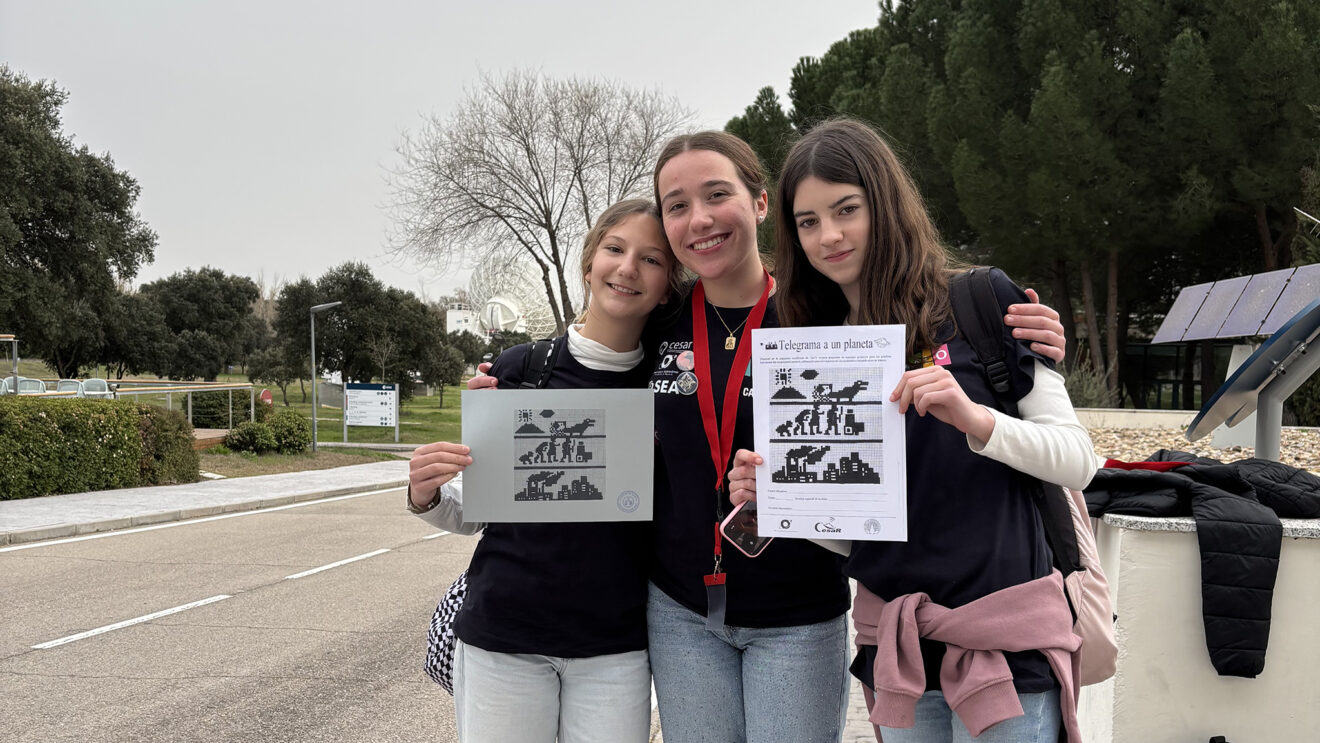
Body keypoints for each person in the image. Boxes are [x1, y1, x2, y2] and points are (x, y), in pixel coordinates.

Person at [466, 132, 1070, 742]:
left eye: (717, 195)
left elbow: (917, 355)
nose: (700, 218)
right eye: (677, 205)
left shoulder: (825, 316)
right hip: (680, 610)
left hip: (797, 613)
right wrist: (509, 383)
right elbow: (593, 362)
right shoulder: (659, 321)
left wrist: (1025, 344)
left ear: (759, 204)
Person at [725, 119, 1097, 742]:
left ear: (886, 204)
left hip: (1007, 645)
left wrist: (978, 421)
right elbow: (856, 537)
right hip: (897, 653)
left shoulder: (980, 301)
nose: (829, 235)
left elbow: (1078, 461)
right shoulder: (810, 347)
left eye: (847, 209)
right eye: (808, 222)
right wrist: (785, 499)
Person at [407, 198, 682, 743]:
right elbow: (474, 512)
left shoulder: (670, 387)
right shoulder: (520, 369)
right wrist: (425, 494)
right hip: (504, 639)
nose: (628, 268)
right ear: (589, 265)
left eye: (652, 259)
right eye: (615, 248)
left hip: (615, 648)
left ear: (668, 286)